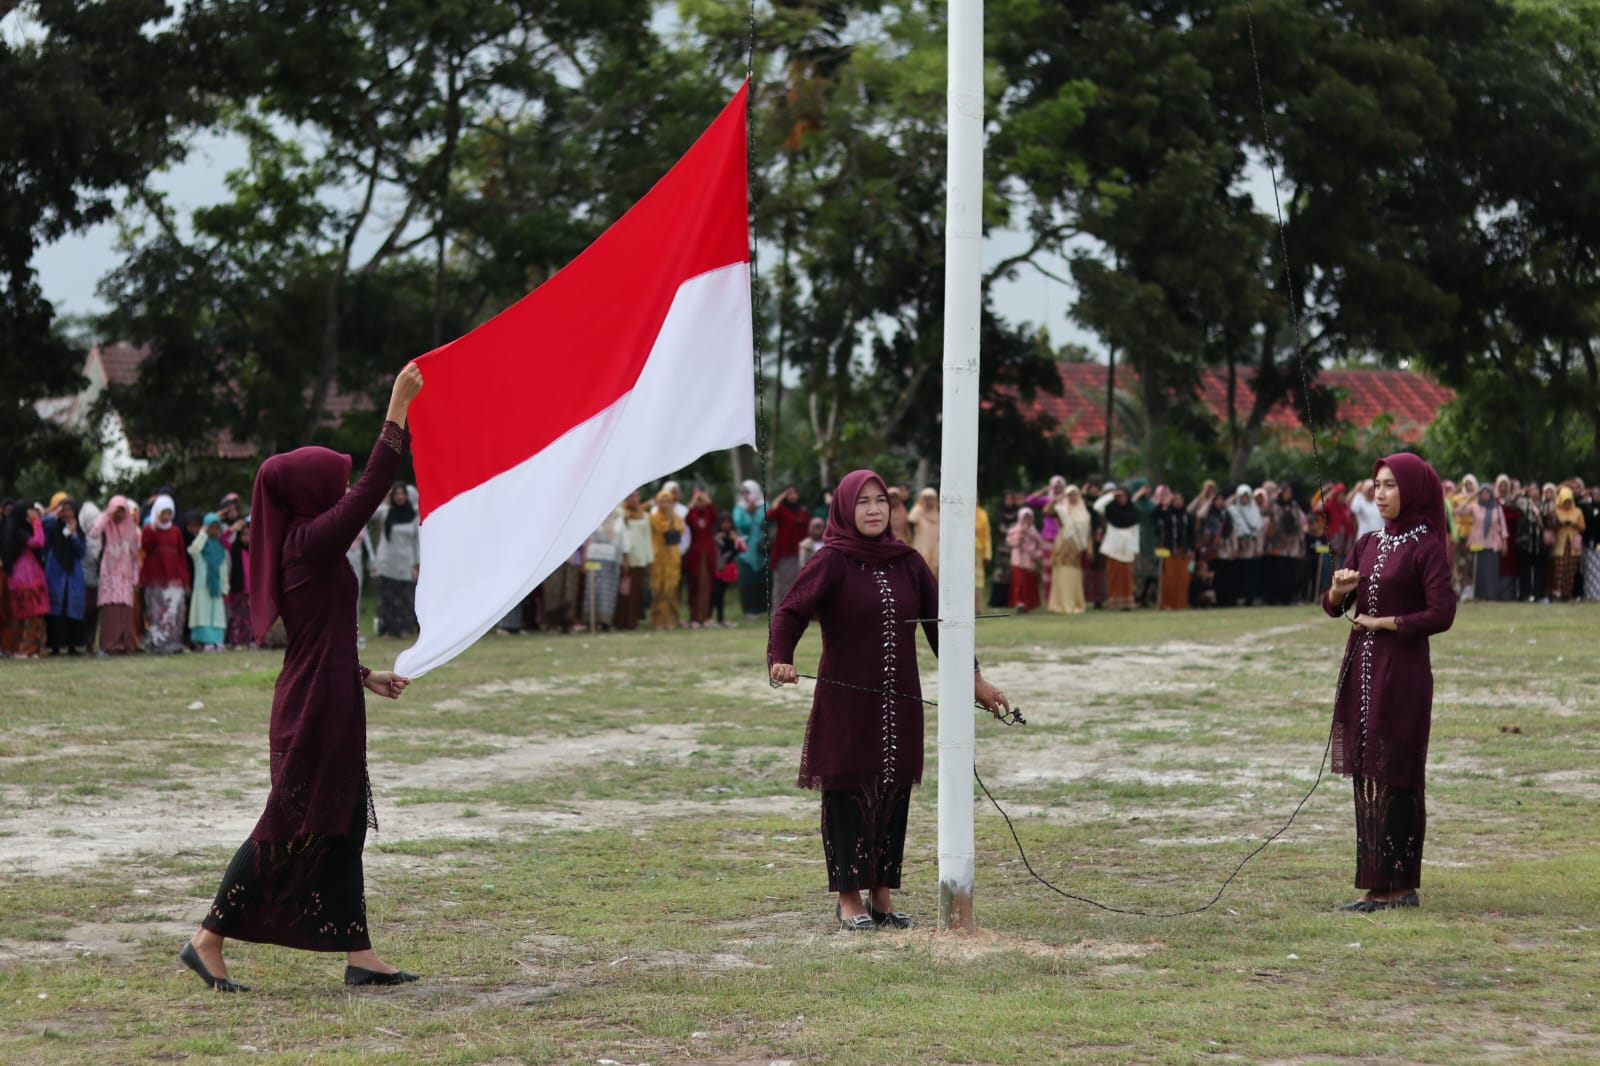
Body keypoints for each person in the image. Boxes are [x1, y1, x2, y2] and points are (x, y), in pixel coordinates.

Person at [181, 363, 423, 994]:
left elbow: (321, 637)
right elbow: (372, 489)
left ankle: (360, 955)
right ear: (310, 493)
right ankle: (207, 939)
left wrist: (364, 676)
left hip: (330, 696)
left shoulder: (308, 544)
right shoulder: (309, 542)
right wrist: (396, 408)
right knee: (286, 827)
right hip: (313, 708)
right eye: (331, 483)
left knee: (343, 825)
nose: (341, 490)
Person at [767, 469, 1010, 931]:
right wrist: (781, 658)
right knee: (847, 791)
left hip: (900, 701)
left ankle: (881, 895)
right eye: (863, 502)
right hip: (846, 701)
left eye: (881, 501)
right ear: (844, 509)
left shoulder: (908, 562)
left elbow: (942, 627)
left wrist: (973, 680)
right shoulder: (830, 561)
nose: (874, 509)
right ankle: (848, 898)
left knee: (892, 792)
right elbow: (790, 612)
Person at [1323, 452, 1455, 912]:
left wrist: (1385, 623)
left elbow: (1442, 612)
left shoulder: (1426, 546)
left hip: (1404, 673)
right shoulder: (1367, 542)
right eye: (1377, 485)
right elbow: (1334, 606)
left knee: (1396, 772)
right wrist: (1339, 590)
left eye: (1390, 485)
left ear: (1412, 490)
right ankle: (1376, 884)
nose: (1380, 494)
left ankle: (1400, 886)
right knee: (1367, 773)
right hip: (1363, 671)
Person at [90, 495, 142, 655]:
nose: (118, 515)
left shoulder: (131, 530)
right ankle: (109, 646)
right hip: (109, 574)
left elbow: (135, 556)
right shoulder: (106, 525)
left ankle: (126, 645)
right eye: (116, 511)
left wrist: (136, 578)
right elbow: (93, 532)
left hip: (126, 575)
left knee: (125, 611)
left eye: (121, 511)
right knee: (110, 610)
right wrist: (107, 514)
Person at [140, 495, 190, 654]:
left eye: (169, 513)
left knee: (174, 610)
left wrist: (185, 580)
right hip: (155, 577)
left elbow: (181, 556)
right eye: (163, 513)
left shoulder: (176, 531)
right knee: (156, 610)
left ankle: (173, 642)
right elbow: (144, 549)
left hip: (174, 577)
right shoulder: (149, 529)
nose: (166, 517)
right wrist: (152, 528)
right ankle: (157, 643)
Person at [0, 504, 49, 658]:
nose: (34, 512)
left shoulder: (14, 529)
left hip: (25, 577)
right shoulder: (18, 531)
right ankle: (27, 648)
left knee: (31, 615)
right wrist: (37, 522)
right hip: (26, 578)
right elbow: (38, 542)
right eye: (31, 510)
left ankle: (34, 648)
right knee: (30, 615)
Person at [371, 483, 420, 637]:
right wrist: (383, 497)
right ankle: (387, 630)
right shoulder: (386, 512)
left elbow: (416, 541)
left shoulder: (414, 515)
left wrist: (417, 563)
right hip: (387, 561)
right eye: (396, 494)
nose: (400, 497)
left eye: (402, 493)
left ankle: (405, 628)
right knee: (387, 596)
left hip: (406, 561)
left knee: (405, 597)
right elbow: (369, 512)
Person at [42, 497, 88, 655]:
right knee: (56, 609)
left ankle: (72, 645)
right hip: (55, 572)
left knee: (72, 609)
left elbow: (81, 551)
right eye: (64, 510)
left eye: (70, 510)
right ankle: (54, 645)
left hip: (73, 574)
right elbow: (42, 526)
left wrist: (73, 534)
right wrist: (54, 515)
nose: (67, 513)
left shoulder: (78, 529)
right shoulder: (52, 527)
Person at [187, 512, 230, 651]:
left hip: (217, 589)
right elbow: (193, 550)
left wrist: (225, 587)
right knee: (203, 614)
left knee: (216, 615)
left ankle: (217, 640)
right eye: (211, 527)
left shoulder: (220, 548)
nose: (214, 531)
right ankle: (204, 641)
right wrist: (202, 533)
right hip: (203, 587)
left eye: (217, 528)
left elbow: (223, 570)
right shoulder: (201, 546)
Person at [1048, 485, 1093, 614]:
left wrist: (1090, 548)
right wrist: (1055, 500)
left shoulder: (1084, 512)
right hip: (1064, 544)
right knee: (1062, 572)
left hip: (1078, 548)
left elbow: (1088, 532)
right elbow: (1047, 511)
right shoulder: (1062, 509)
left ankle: (1074, 602)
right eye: (1070, 495)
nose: (1073, 497)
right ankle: (1060, 604)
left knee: (1074, 575)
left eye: (1075, 494)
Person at [582, 507, 629, 630]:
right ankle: (591, 620)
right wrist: (584, 559)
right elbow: (588, 539)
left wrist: (625, 560)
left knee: (607, 591)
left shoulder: (619, 521)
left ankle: (605, 621)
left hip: (611, 561)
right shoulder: (595, 519)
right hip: (594, 559)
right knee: (593, 588)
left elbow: (624, 542)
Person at [1096, 483, 1140, 611]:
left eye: (1124, 496)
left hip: (1128, 549)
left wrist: (1136, 549)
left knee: (1127, 577)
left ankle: (1127, 603)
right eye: (1119, 496)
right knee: (1114, 576)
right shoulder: (1110, 509)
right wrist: (1111, 495)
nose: (1122, 499)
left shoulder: (1133, 512)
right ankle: (1114, 602)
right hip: (1113, 548)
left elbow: (1136, 532)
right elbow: (1097, 506)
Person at [767, 485, 811, 607]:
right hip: (784, 552)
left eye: (794, 493)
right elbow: (769, 515)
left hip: (801, 551)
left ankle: (797, 608)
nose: (792, 496)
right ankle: (781, 610)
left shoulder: (802, 510)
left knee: (799, 581)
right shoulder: (781, 509)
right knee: (784, 583)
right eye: (789, 493)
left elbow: (807, 527)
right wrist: (781, 496)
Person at [614, 492, 652, 631]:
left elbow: (647, 539)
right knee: (623, 592)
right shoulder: (621, 514)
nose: (633, 499)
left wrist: (649, 560)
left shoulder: (644, 516)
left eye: (636, 496)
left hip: (640, 558)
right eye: (630, 496)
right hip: (624, 558)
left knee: (636, 593)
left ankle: (633, 622)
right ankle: (620, 622)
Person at [648, 489, 685, 629]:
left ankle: (672, 621)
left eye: (668, 501)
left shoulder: (677, 518)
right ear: (657, 502)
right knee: (658, 589)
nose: (665, 504)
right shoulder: (653, 518)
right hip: (658, 556)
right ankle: (657, 621)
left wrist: (671, 519)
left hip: (672, 557)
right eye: (662, 501)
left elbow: (680, 532)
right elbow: (659, 529)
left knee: (672, 589)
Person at [683, 488, 719, 627]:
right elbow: (688, 520)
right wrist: (694, 501)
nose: (701, 503)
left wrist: (707, 500)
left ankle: (706, 616)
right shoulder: (692, 513)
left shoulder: (709, 513)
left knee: (708, 586)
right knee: (694, 586)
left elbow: (715, 517)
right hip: (695, 555)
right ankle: (694, 617)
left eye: (702, 500)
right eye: (699, 500)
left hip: (708, 555)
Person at [1464, 484, 1506, 603]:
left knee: (1492, 568)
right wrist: (1470, 497)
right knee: (1480, 569)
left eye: (1487, 493)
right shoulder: (1475, 506)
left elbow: (1503, 525)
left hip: (1493, 541)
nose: (1485, 496)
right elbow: (1459, 511)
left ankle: (1491, 594)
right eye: (1482, 493)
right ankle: (1480, 593)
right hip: (1478, 541)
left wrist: (1505, 541)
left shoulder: (1497, 508)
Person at [732, 481, 768, 616]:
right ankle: (748, 610)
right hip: (745, 550)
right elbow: (740, 523)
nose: (745, 495)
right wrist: (749, 512)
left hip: (762, 548)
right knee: (747, 580)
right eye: (743, 493)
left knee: (762, 579)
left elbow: (769, 519)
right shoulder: (739, 508)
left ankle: (763, 609)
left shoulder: (764, 505)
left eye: (747, 492)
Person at [1155, 490, 1192, 611]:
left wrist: (1191, 549)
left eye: (1180, 499)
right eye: (1175, 499)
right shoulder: (1167, 514)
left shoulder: (1187, 516)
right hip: (1168, 550)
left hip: (1183, 551)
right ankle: (1166, 604)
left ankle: (1181, 604)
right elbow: (1155, 514)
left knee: (1182, 578)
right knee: (1168, 577)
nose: (1178, 502)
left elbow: (1191, 534)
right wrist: (1164, 503)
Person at [1549, 486, 1585, 602]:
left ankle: (1567, 593)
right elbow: (1552, 527)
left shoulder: (1577, 511)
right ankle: (1557, 593)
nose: (1567, 504)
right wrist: (1561, 524)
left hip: (1573, 546)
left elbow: (1583, 527)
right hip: (1560, 544)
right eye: (1565, 501)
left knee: (1571, 570)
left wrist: (1575, 525)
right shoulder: (1556, 511)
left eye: (1569, 501)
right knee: (1559, 569)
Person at [1005, 507, 1045, 612]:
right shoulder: (1014, 530)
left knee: (1028, 584)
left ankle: (1029, 604)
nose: (1027, 520)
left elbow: (1040, 546)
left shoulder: (1034, 532)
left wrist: (1036, 555)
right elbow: (1011, 543)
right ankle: (1019, 603)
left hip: (1030, 561)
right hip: (1018, 560)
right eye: (1025, 518)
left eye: (1029, 518)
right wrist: (1021, 533)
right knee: (1018, 583)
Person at [226, 518, 256, 649]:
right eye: (244, 534)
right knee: (238, 618)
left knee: (251, 618)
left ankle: (251, 641)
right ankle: (237, 641)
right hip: (239, 591)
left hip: (253, 592)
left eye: (249, 534)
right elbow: (223, 540)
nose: (247, 537)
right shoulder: (235, 549)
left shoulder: (256, 550)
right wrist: (232, 529)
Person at [906, 487, 940, 576]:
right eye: (927, 498)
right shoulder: (918, 510)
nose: (930, 501)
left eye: (932, 499)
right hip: (921, 544)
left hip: (934, 545)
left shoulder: (937, 512)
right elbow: (911, 519)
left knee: (933, 569)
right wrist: (919, 506)